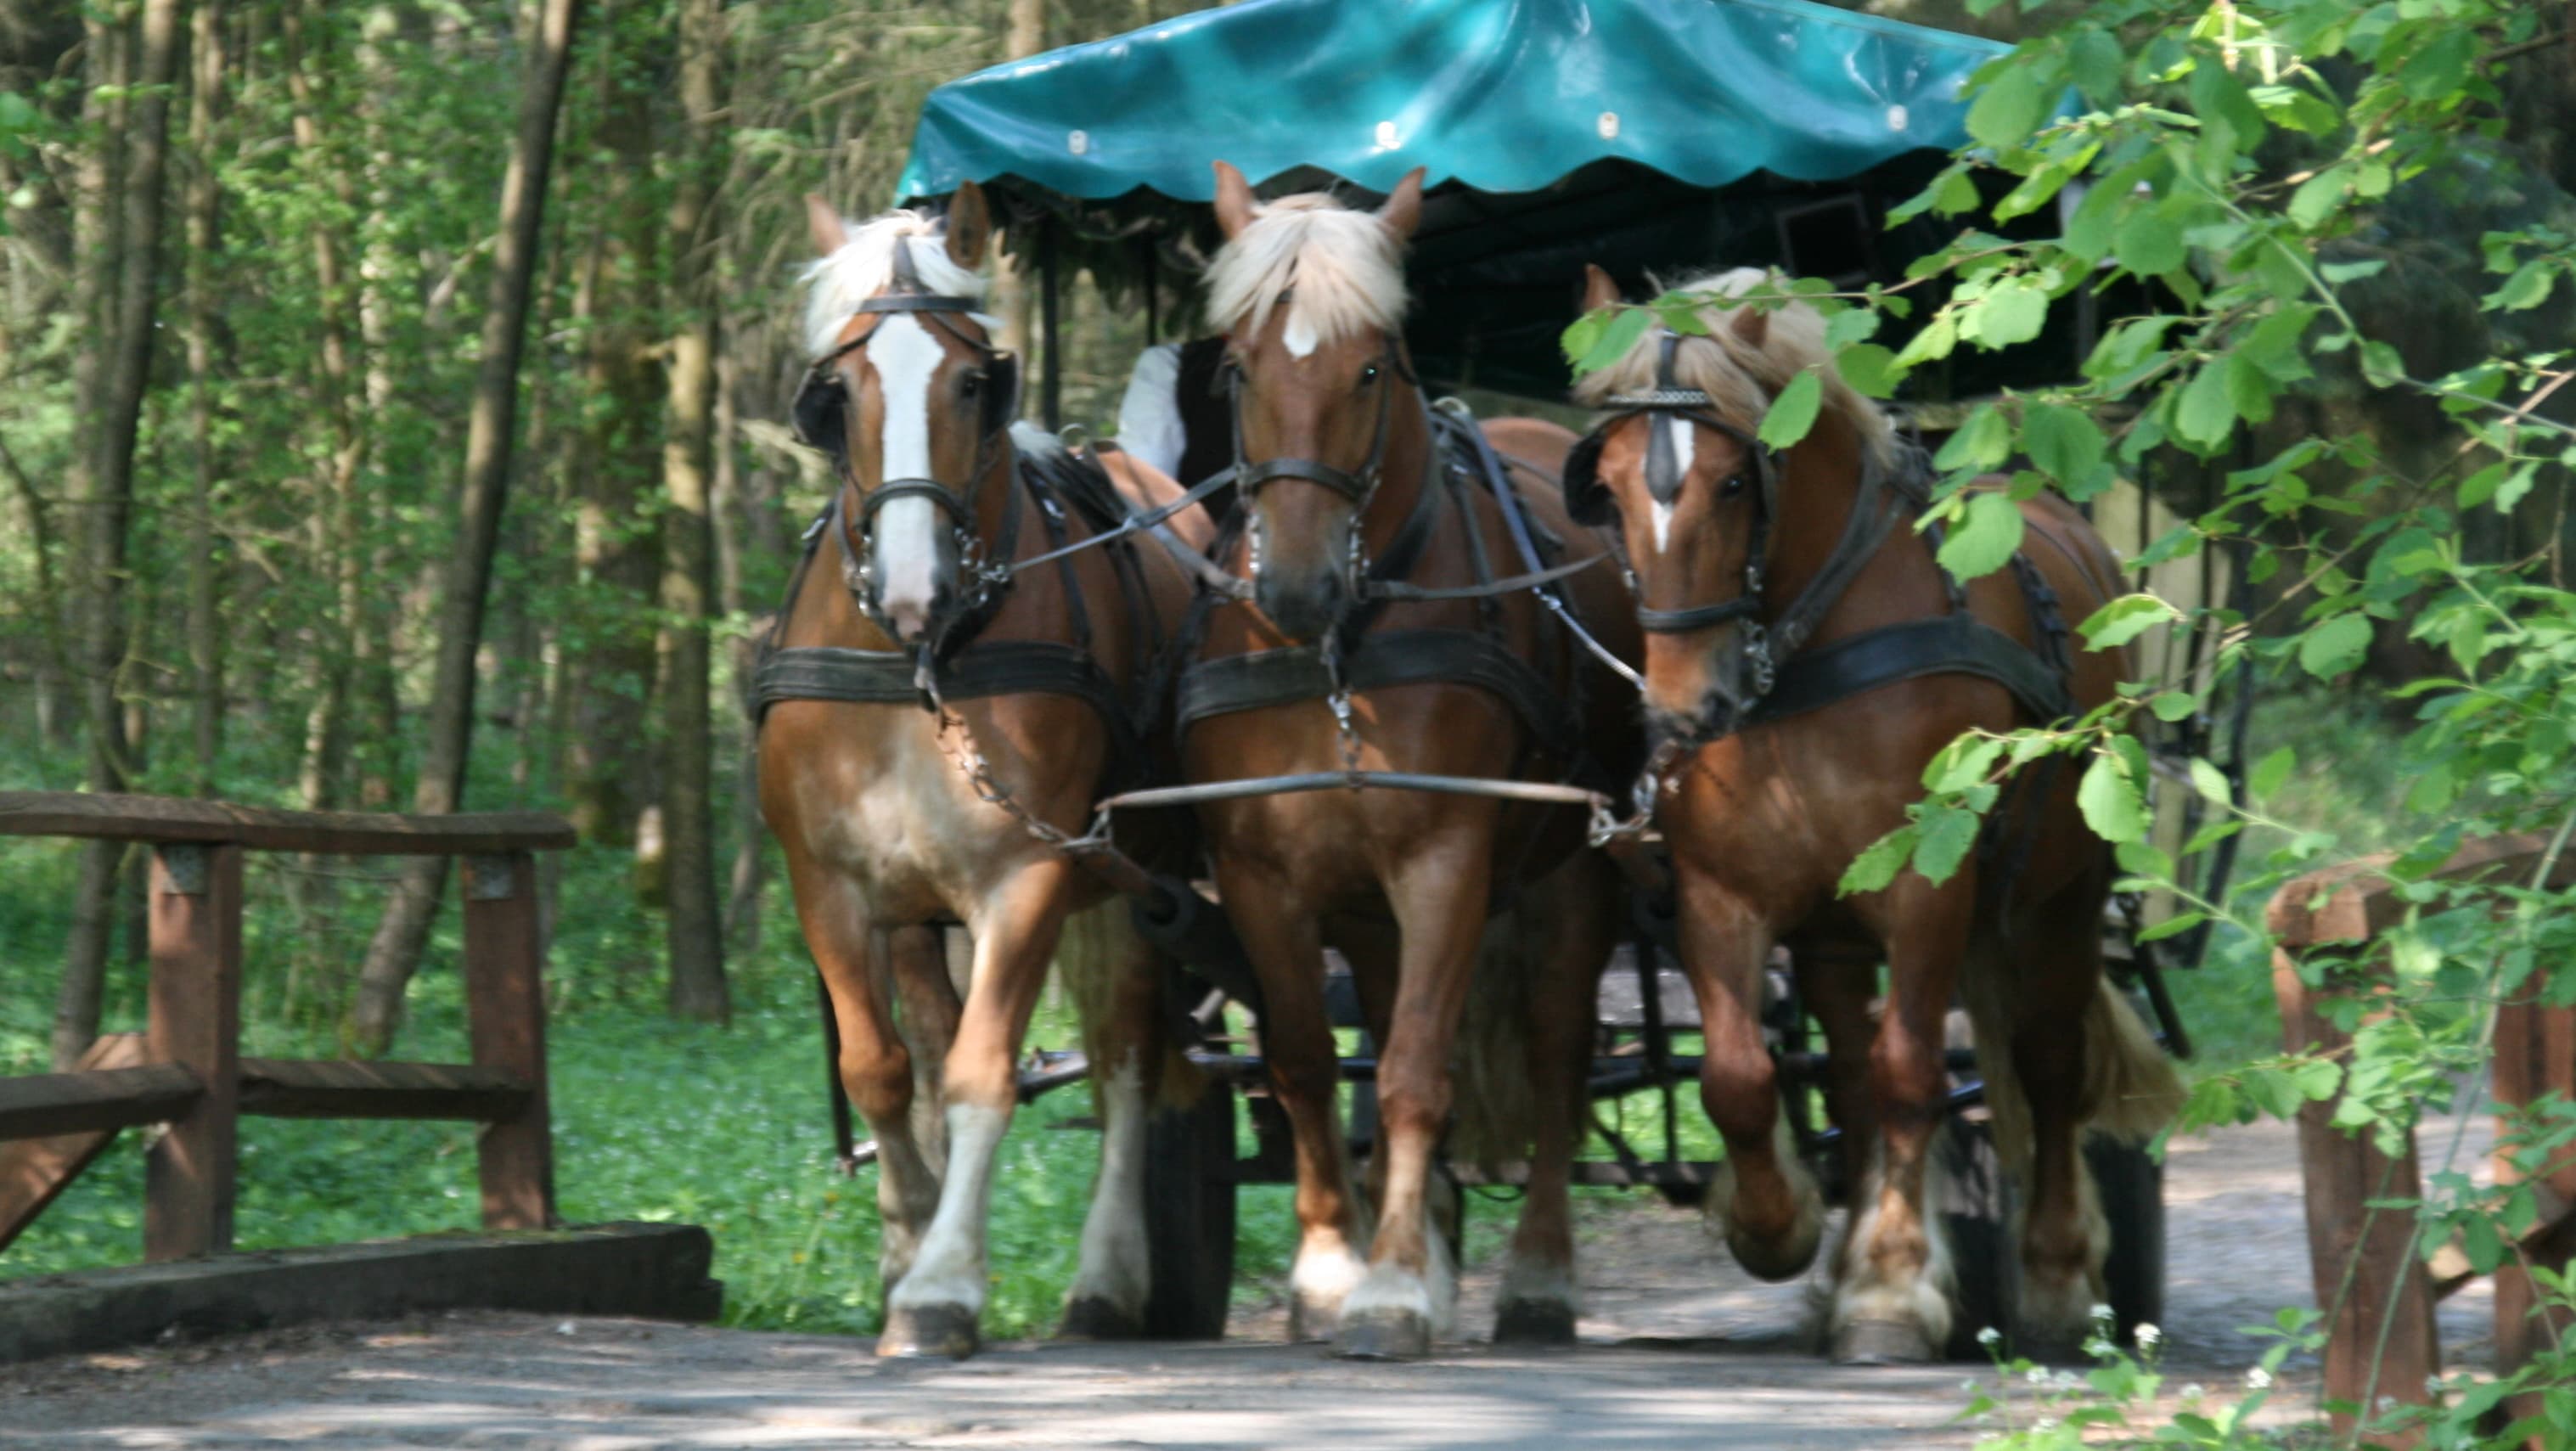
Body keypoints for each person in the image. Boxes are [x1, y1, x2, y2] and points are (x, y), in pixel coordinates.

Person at [1112, 335, 1236, 519]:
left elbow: (1144, 487)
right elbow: (1144, 485)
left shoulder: (1171, 364)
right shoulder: (1173, 365)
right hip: (1201, 540)